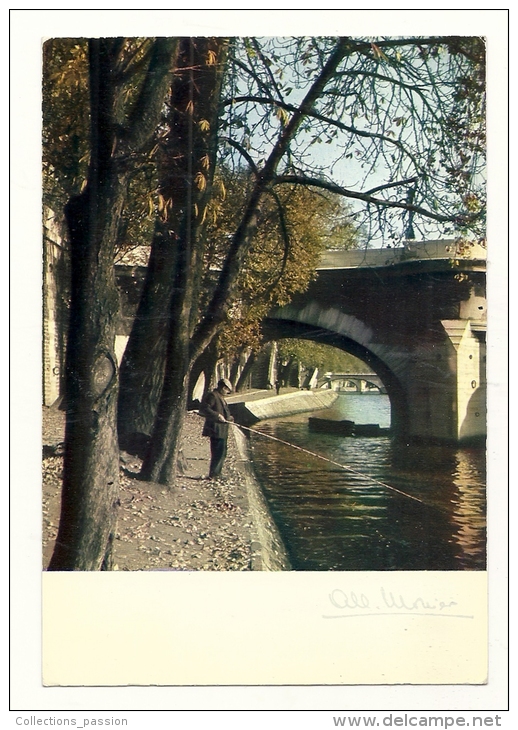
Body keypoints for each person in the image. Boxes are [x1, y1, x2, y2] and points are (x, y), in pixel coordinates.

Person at [200, 378, 234, 479]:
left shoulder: (221, 397)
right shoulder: (213, 395)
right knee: (217, 452)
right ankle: (214, 474)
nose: (227, 392)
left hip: (222, 430)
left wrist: (229, 418)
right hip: (216, 429)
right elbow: (204, 409)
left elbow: (224, 411)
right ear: (223, 387)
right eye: (227, 390)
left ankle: (217, 473)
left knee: (222, 452)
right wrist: (217, 415)